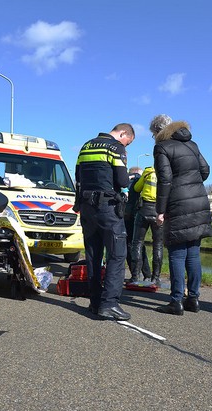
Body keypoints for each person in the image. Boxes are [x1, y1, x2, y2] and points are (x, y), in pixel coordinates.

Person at [152, 114, 212, 315]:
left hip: (177, 202)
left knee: (177, 254)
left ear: (158, 131)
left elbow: (165, 180)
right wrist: (191, 181)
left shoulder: (162, 147)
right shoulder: (192, 144)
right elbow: (205, 171)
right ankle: (193, 298)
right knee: (193, 253)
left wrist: (160, 209)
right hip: (198, 200)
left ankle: (176, 301)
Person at [75, 123, 135, 321]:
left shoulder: (85, 146)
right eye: (129, 142)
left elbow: (78, 178)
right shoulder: (116, 148)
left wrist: (78, 204)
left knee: (93, 255)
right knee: (117, 254)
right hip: (108, 208)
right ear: (123, 133)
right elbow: (123, 181)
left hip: (86, 207)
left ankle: (95, 302)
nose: (127, 146)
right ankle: (110, 304)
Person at [130, 165, 163, 286]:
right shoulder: (165, 173)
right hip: (158, 211)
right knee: (158, 245)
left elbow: (136, 188)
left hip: (143, 210)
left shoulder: (148, 171)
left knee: (137, 243)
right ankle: (156, 278)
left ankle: (135, 277)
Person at [124, 167, 151, 282]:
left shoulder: (127, 181)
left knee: (129, 246)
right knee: (140, 245)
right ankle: (147, 274)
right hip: (142, 215)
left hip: (126, 217)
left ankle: (134, 274)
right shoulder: (144, 181)